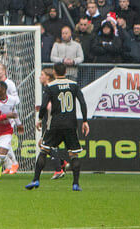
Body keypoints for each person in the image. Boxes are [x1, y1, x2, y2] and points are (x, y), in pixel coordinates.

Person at [27, 62, 88, 191]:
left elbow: (43, 106)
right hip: (70, 124)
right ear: (65, 71)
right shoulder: (74, 85)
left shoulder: (50, 86)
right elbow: (82, 102)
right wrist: (85, 121)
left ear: (54, 72)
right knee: (74, 155)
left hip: (55, 124)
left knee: (44, 150)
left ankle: (36, 180)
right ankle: (75, 184)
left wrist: (39, 119)